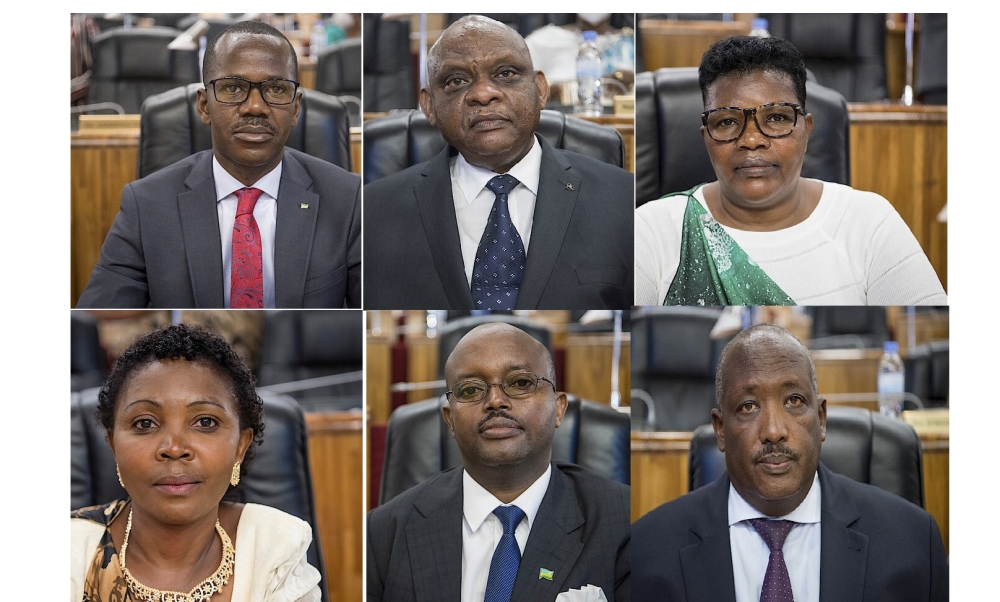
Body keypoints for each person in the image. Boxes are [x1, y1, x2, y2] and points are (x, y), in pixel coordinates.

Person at [631, 324, 948, 601]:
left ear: (820, 419)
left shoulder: (913, 542)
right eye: (748, 406)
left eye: (794, 401)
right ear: (721, 429)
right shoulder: (646, 552)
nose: (773, 431)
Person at [634, 36, 947, 305]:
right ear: (707, 138)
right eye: (727, 121)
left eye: (777, 118)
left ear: (806, 130)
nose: (752, 140)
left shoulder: (869, 221)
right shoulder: (651, 230)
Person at [77, 20, 361, 309]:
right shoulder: (146, 204)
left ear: (296, 107)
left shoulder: (349, 200)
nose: (255, 107)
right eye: (233, 88)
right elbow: (96, 317)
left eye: (276, 89)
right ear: (204, 106)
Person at [363, 15, 633, 310]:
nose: (483, 94)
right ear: (429, 106)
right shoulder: (371, 212)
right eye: (456, 81)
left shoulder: (622, 198)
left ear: (540, 90)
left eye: (506, 73)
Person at [367, 323, 630, 601]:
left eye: (520, 383)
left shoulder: (623, 521)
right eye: (471, 389)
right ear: (450, 420)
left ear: (558, 409)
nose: (495, 400)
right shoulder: (383, 531)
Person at [70, 324, 322, 601]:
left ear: (240, 446)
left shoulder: (275, 547)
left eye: (205, 422)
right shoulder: (69, 549)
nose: (174, 448)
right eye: (145, 423)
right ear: (113, 445)